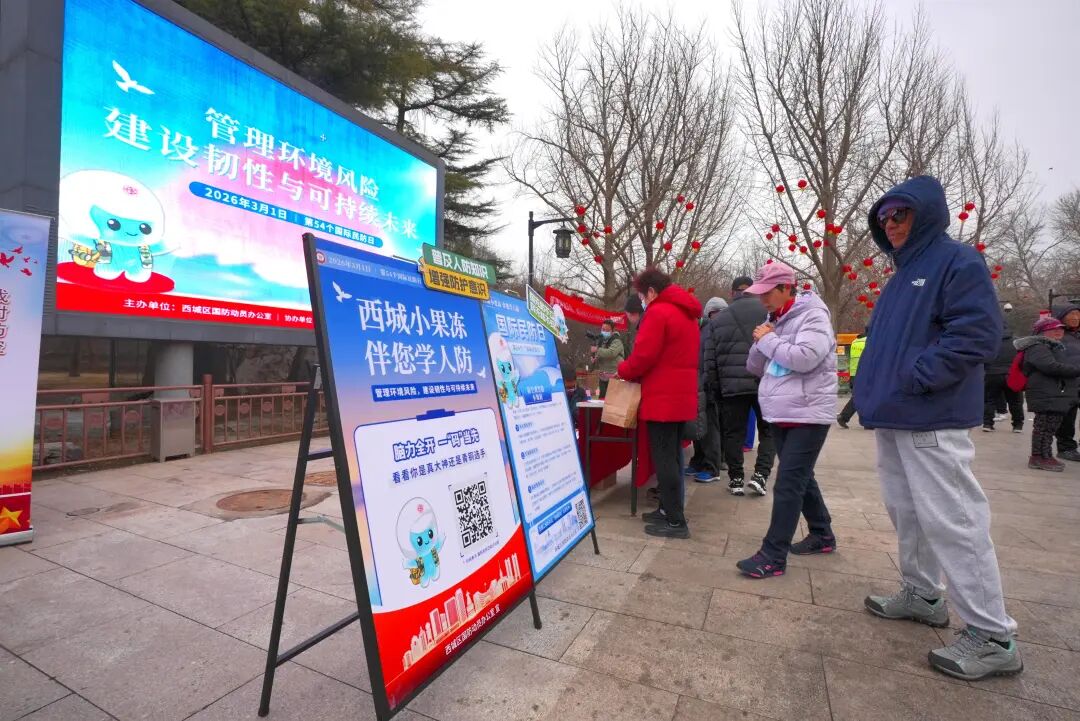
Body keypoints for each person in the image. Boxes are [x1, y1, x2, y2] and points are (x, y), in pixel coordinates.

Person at [855, 175, 1022, 681]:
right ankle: (923, 593)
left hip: (930, 411)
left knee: (954, 518)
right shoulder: (901, 275)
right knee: (907, 511)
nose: (891, 223)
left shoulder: (957, 260)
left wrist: (919, 376)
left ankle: (992, 634)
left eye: (900, 213)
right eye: (884, 217)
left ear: (925, 213)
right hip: (895, 413)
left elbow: (978, 332)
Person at [734, 262, 838, 578]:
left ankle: (773, 555)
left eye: (768, 292)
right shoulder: (773, 319)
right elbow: (754, 367)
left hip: (809, 412)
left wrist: (768, 340)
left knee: (789, 482)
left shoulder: (813, 315)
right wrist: (761, 341)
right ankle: (822, 534)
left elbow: (805, 358)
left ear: (786, 288)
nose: (762, 299)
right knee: (802, 477)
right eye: (759, 293)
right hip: (781, 411)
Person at [617, 267, 701, 539]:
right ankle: (666, 509)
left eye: (642, 296)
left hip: (662, 399)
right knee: (673, 457)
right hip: (680, 397)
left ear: (651, 292)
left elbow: (644, 356)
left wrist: (623, 369)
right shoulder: (687, 313)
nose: (642, 301)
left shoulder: (658, 312)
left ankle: (676, 521)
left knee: (665, 460)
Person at [702, 276, 776, 496]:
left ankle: (736, 479)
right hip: (765, 382)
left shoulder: (718, 320)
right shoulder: (768, 314)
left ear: (732, 292)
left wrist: (715, 388)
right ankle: (761, 475)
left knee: (733, 433)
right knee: (768, 431)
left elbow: (709, 358)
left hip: (731, 386)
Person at [1016, 317, 1080, 472]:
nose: (1059, 331)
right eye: (1053, 329)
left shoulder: (1052, 346)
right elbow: (1050, 366)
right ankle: (1038, 457)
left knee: (1049, 427)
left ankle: (1046, 455)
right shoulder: (1038, 346)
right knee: (1043, 427)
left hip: (1052, 393)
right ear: (1042, 332)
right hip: (1045, 393)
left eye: (1060, 328)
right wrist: (1075, 370)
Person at [688, 297, 728, 482]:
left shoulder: (714, 331)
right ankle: (698, 461)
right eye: (715, 313)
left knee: (710, 428)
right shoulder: (700, 330)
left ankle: (712, 467)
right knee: (697, 426)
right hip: (697, 384)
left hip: (709, 386)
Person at [982, 320, 1024, 433]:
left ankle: (987, 423)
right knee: (1015, 401)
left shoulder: (988, 341)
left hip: (992, 374)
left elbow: (983, 358)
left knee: (989, 400)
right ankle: (1018, 425)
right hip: (1012, 374)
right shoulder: (1017, 342)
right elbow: (1022, 358)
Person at [1052, 303, 1080, 461]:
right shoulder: (1056, 335)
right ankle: (1066, 448)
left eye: (1078, 315)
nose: (1075, 318)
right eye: (1071, 315)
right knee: (1067, 417)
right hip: (1067, 382)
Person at [837, 330, 866, 429]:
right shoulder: (869, 342)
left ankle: (845, 417)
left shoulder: (855, 342)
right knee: (863, 397)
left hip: (854, 374)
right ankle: (844, 417)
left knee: (860, 397)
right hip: (864, 374)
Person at [590, 319, 624, 398]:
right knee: (602, 399)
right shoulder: (602, 341)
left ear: (612, 331)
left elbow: (611, 353)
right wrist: (595, 359)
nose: (604, 331)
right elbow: (601, 354)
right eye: (603, 329)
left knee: (613, 400)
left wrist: (597, 350)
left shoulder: (617, 341)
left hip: (615, 377)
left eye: (607, 330)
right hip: (603, 377)